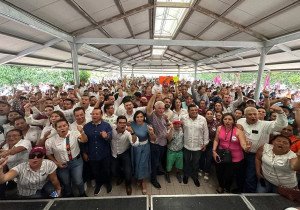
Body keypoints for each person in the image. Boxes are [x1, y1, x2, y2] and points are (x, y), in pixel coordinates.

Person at [237, 106, 288, 193]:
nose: (253, 116)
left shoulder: (265, 125)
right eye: (250, 114)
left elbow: (281, 125)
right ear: (245, 116)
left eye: (255, 114)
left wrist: (280, 113)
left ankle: (249, 195)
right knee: (240, 173)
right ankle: (240, 190)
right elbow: (237, 126)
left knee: (251, 176)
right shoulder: (240, 121)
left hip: (255, 155)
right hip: (241, 152)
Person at [45, 119, 87, 197]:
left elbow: (84, 140)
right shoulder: (50, 141)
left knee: (78, 181)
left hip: (76, 162)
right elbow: (48, 154)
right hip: (61, 164)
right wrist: (56, 163)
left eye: (64, 126)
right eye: (59, 127)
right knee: (66, 182)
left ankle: (82, 193)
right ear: (55, 128)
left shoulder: (74, 133)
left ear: (68, 126)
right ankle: (69, 194)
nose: (62, 128)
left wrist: (82, 132)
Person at [212, 113, 249, 193]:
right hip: (221, 154)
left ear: (233, 121)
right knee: (219, 171)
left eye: (230, 119)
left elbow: (243, 144)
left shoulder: (238, 131)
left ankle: (227, 187)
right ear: (222, 120)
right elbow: (216, 140)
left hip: (235, 157)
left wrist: (246, 148)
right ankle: (221, 186)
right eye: (225, 119)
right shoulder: (219, 128)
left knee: (229, 174)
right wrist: (214, 151)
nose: (227, 121)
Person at [83, 108, 112, 195]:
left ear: (101, 115)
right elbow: (84, 141)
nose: (94, 115)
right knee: (95, 171)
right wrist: (84, 152)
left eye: (97, 114)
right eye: (93, 114)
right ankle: (98, 184)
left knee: (106, 170)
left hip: (104, 153)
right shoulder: (86, 126)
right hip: (92, 154)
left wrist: (106, 136)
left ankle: (108, 183)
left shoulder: (106, 125)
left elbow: (110, 138)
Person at [181, 104, 209, 187]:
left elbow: (206, 132)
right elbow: (180, 129)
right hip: (186, 144)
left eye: (195, 110)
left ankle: (195, 176)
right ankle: (186, 175)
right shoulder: (183, 118)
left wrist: (205, 143)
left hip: (198, 145)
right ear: (188, 111)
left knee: (196, 162)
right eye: (192, 110)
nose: (194, 112)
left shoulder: (202, 119)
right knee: (186, 161)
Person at [111, 116, 138, 195]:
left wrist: (132, 133)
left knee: (128, 172)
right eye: (120, 123)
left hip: (124, 153)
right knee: (113, 170)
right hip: (114, 154)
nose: (122, 125)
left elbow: (135, 144)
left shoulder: (128, 133)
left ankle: (128, 185)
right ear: (117, 123)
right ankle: (120, 177)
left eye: (124, 123)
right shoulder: (112, 129)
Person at [146, 94, 168, 189]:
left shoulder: (164, 117)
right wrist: (154, 95)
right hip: (155, 144)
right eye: (159, 108)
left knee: (158, 160)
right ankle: (153, 179)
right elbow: (149, 106)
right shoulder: (151, 116)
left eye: (163, 108)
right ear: (155, 108)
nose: (161, 110)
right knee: (154, 162)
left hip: (163, 143)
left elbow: (166, 126)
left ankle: (157, 171)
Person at [131, 110, 155, 194]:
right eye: (137, 117)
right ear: (135, 118)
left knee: (143, 164)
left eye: (141, 117)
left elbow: (153, 139)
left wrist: (151, 133)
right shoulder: (131, 124)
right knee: (136, 163)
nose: (139, 118)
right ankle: (139, 178)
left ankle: (143, 183)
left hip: (145, 147)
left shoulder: (148, 126)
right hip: (135, 147)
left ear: (144, 117)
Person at [199, 110, 219, 181]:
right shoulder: (202, 122)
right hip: (202, 143)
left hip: (211, 144)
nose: (209, 115)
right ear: (205, 115)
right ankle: (200, 169)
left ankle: (207, 172)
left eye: (211, 114)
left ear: (213, 115)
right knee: (201, 157)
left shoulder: (217, 123)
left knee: (209, 159)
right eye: (208, 113)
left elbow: (218, 135)